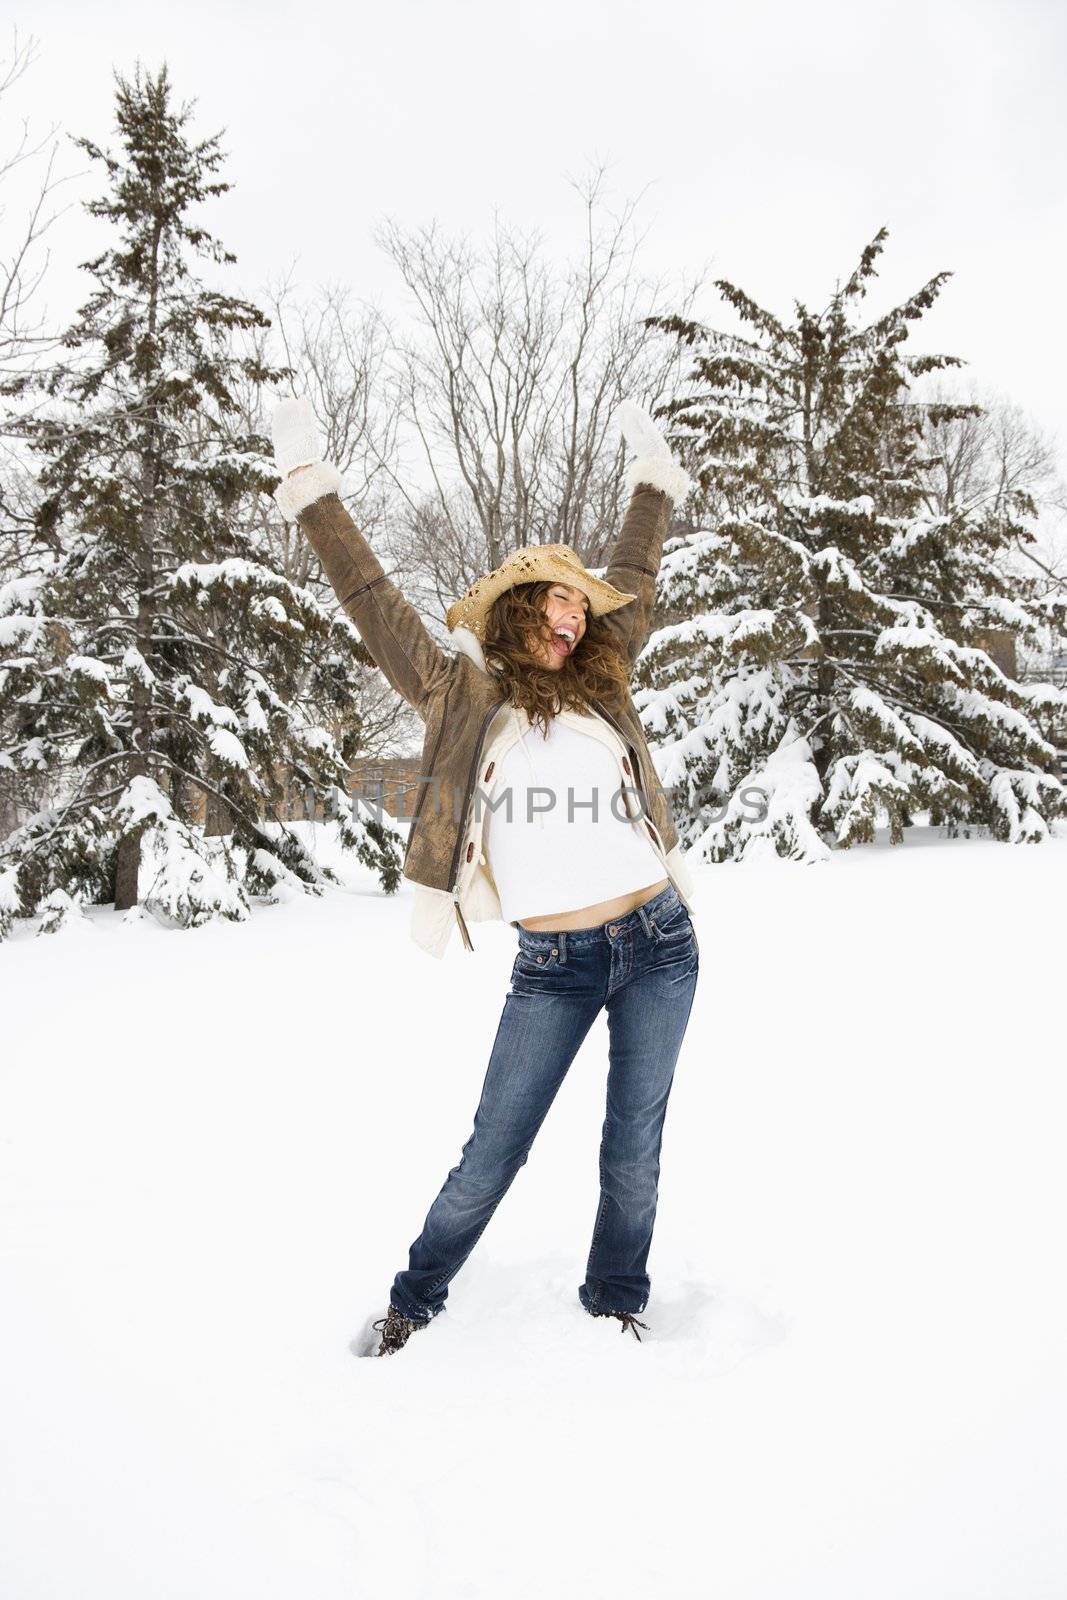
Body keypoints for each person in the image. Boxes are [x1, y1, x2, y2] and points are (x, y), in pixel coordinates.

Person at [271, 396, 700, 1356]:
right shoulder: (457, 691)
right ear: (515, 609)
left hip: (660, 942)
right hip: (553, 963)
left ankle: (615, 1299)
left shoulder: (604, 678)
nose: (573, 611)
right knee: (492, 1149)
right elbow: (372, 599)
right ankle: (413, 1302)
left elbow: (633, 574)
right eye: (554, 598)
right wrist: (311, 488)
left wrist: (650, 483)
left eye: (578, 603)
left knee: (634, 1141)